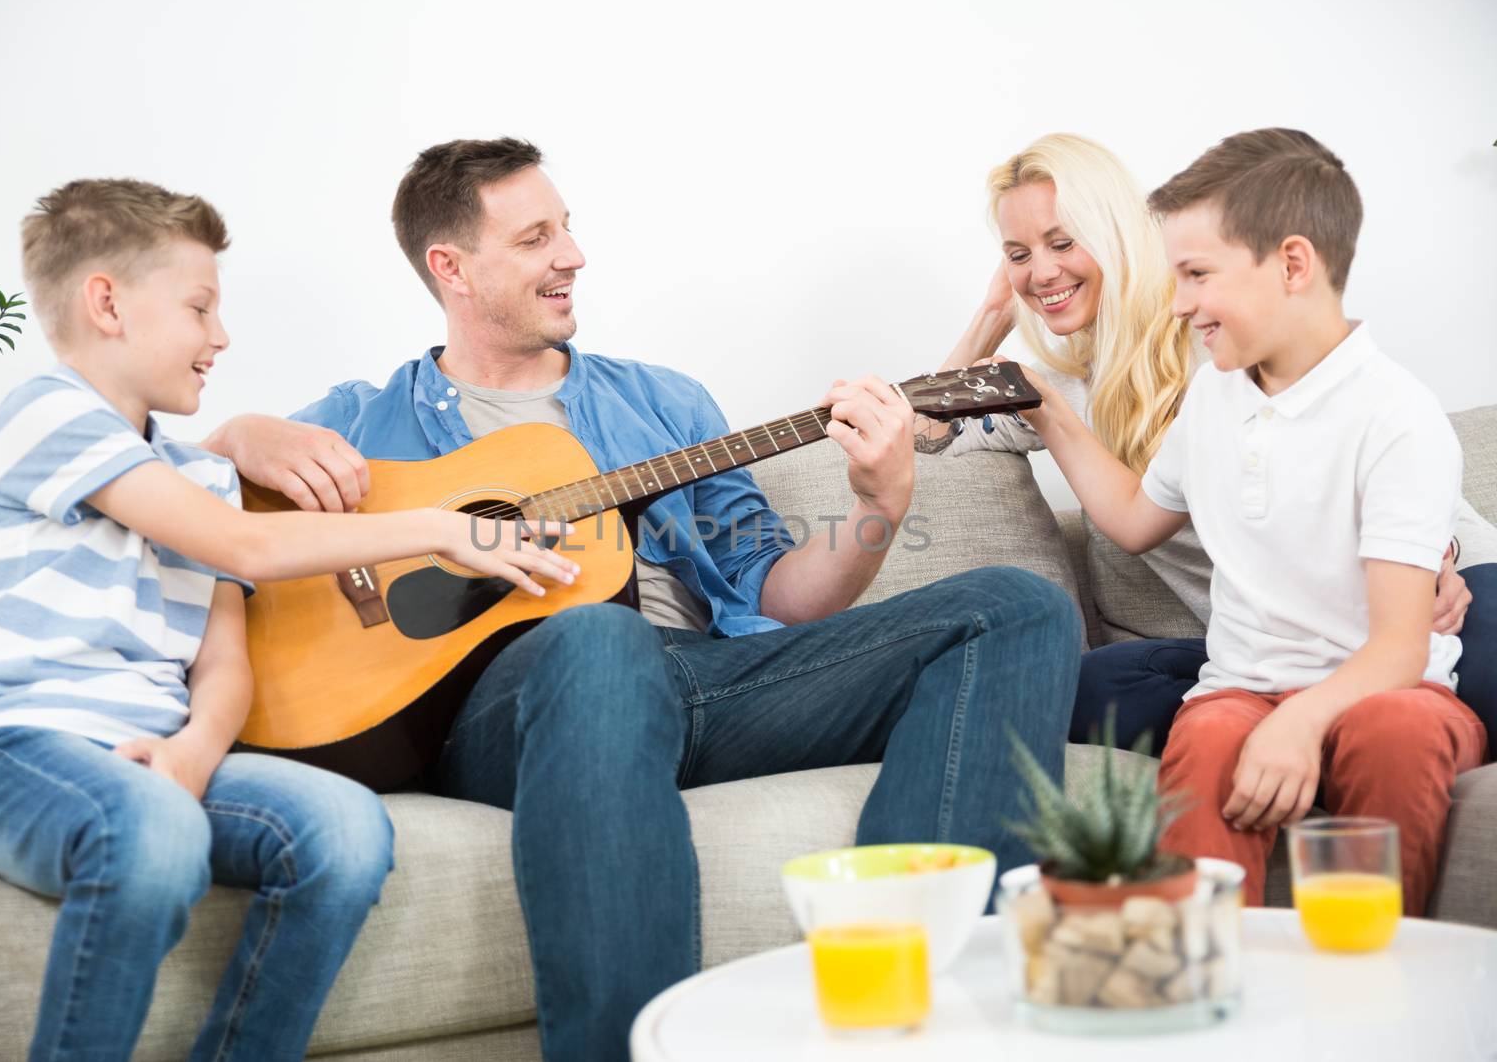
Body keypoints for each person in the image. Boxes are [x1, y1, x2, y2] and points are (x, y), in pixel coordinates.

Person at [203, 138, 1082, 1061]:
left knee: (1014, 606)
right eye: (537, 236)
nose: (572, 255)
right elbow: (191, 510)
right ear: (451, 268)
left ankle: (917, 1018)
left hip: (703, 687)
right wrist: (237, 434)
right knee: (598, 638)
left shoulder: (663, 404)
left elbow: (780, 598)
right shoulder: (364, 415)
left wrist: (879, 504)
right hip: (510, 715)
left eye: (567, 228)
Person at [0, 178, 579, 1061]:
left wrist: (194, 751)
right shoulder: (45, 413)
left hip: (152, 756)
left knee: (346, 831)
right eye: (199, 308)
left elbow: (223, 667)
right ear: (106, 302)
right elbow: (246, 548)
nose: (221, 337)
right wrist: (441, 527)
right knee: (152, 830)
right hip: (10, 750)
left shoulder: (200, 477)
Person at [1008, 128, 1485, 913]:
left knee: (1395, 730)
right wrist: (1051, 412)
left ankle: (1373, 993)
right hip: (1245, 684)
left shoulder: (1397, 415)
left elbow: (1402, 645)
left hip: (1390, 689)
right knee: (1211, 730)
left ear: (1294, 265)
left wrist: (1301, 721)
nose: (1180, 300)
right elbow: (1132, 518)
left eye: (1197, 274)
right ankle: (1209, 983)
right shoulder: (1213, 397)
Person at [913, 133, 1496, 756]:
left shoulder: (1221, 343)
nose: (1042, 271)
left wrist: (1435, 558)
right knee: (1077, 691)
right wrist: (988, 316)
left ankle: (1360, 731)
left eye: (1062, 242)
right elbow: (925, 438)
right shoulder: (1049, 395)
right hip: (1266, 653)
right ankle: (1310, 729)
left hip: (1436, 596)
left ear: (1117, 235)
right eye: (1018, 253)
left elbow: (1376, 444)